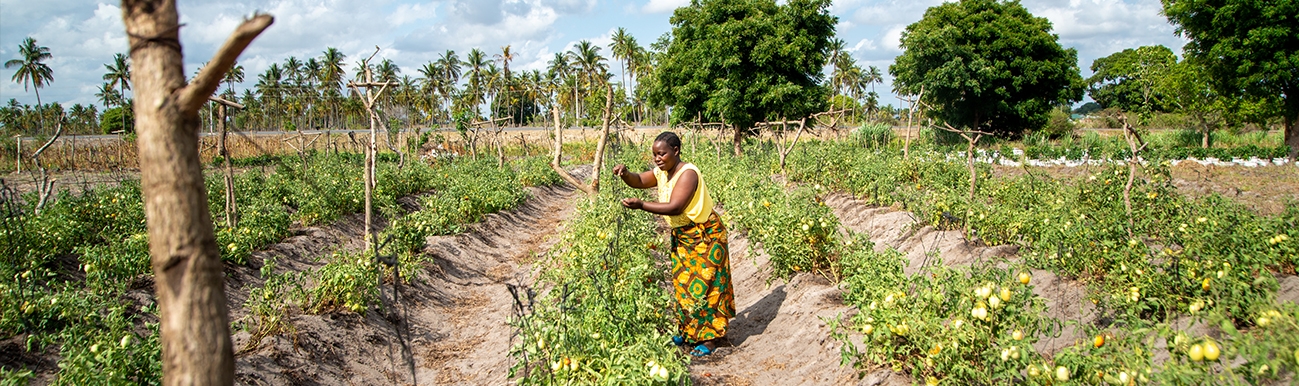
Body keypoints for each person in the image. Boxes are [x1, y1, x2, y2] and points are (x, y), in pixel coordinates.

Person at [612, 131, 734, 357]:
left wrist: (642, 205)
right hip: (684, 235)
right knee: (684, 284)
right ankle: (689, 331)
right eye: (654, 155)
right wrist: (626, 173)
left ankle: (710, 338)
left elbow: (675, 206)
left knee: (707, 287)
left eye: (662, 154)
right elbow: (639, 181)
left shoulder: (688, 174)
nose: (657, 159)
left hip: (705, 236)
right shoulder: (661, 172)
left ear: (675, 151)